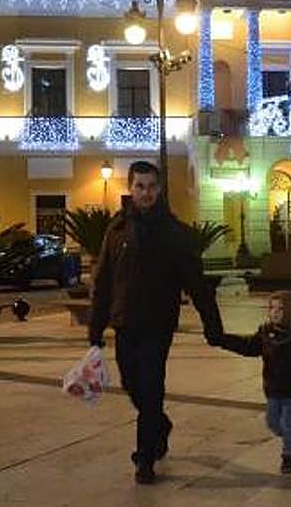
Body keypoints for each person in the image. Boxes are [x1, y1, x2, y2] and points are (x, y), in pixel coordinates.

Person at [89, 160, 224, 485]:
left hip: (157, 323)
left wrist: (212, 323)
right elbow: (104, 279)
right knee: (131, 384)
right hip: (124, 321)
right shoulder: (116, 230)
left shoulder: (175, 233)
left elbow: (196, 282)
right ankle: (160, 425)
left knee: (151, 387)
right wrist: (95, 326)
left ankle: (145, 457)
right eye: (140, 186)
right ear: (131, 188)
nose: (146, 193)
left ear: (159, 189)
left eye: (151, 187)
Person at [219, 291, 291, 473]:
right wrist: (224, 340)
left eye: (280, 308)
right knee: (272, 421)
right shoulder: (266, 332)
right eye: (272, 308)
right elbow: (249, 346)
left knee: (289, 421)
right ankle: (289, 437)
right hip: (273, 386)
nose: (275, 312)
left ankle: (288, 455)